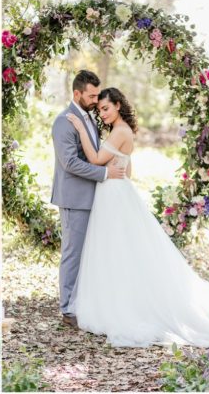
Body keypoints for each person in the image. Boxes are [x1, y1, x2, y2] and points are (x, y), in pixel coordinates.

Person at [65, 86, 209, 347]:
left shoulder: (121, 131)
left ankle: (123, 303)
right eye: (99, 109)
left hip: (113, 193)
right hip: (115, 190)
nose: (101, 114)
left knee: (116, 247)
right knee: (117, 247)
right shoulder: (122, 131)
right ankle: (114, 296)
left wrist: (81, 129)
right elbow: (128, 169)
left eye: (105, 108)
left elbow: (94, 159)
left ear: (117, 105)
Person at [50, 70, 126, 328]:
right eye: (91, 95)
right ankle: (68, 309)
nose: (95, 100)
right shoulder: (63, 121)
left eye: (98, 95)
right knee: (73, 253)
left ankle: (83, 302)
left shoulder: (89, 119)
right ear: (77, 94)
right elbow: (70, 162)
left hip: (93, 197)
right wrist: (105, 173)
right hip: (74, 197)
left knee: (88, 253)